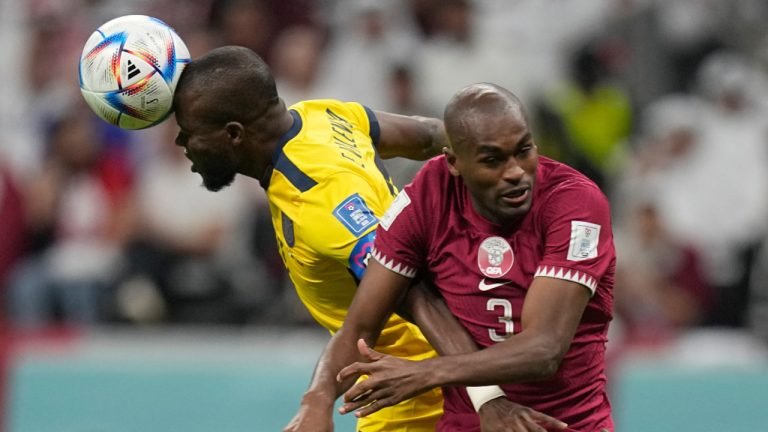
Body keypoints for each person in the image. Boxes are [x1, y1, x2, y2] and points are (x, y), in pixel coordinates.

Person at [172, 46, 563, 432]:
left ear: (234, 135)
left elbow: (413, 291)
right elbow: (428, 135)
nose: (181, 144)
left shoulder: (320, 201)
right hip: (412, 378)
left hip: (417, 393)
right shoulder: (318, 116)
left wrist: (486, 400)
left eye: (188, 132)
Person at [303, 83, 615, 431]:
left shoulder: (575, 205)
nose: (515, 172)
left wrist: (426, 373)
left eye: (523, 150)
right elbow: (360, 326)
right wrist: (316, 400)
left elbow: (544, 348)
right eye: (493, 160)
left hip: (562, 424)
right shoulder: (428, 196)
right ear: (454, 162)